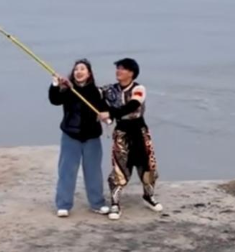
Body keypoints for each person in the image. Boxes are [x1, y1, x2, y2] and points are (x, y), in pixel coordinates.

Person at [98, 57, 162, 220]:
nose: (118, 71)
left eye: (123, 68)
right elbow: (93, 94)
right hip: (121, 132)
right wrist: (70, 84)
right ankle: (115, 203)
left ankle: (148, 195)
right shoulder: (109, 89)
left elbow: (132, 105)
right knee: (119, 166)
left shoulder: (139, 88)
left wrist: (110, 113)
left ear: (131, 73)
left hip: (140, 131)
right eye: (118, 68)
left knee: (147, 165)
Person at [48, 59, 111, 217]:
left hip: (92, 137)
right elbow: (55, 100)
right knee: (67, 171)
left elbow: (104, 108)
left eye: (82, 69)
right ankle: (63, 205)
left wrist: (106, 115)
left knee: (93, 172)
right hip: (71, 135)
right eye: (76, 69)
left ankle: (97, 203)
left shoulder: (97, 92)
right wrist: (55, 85)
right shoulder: (68, 90)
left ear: (89, 74)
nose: (79, 72)